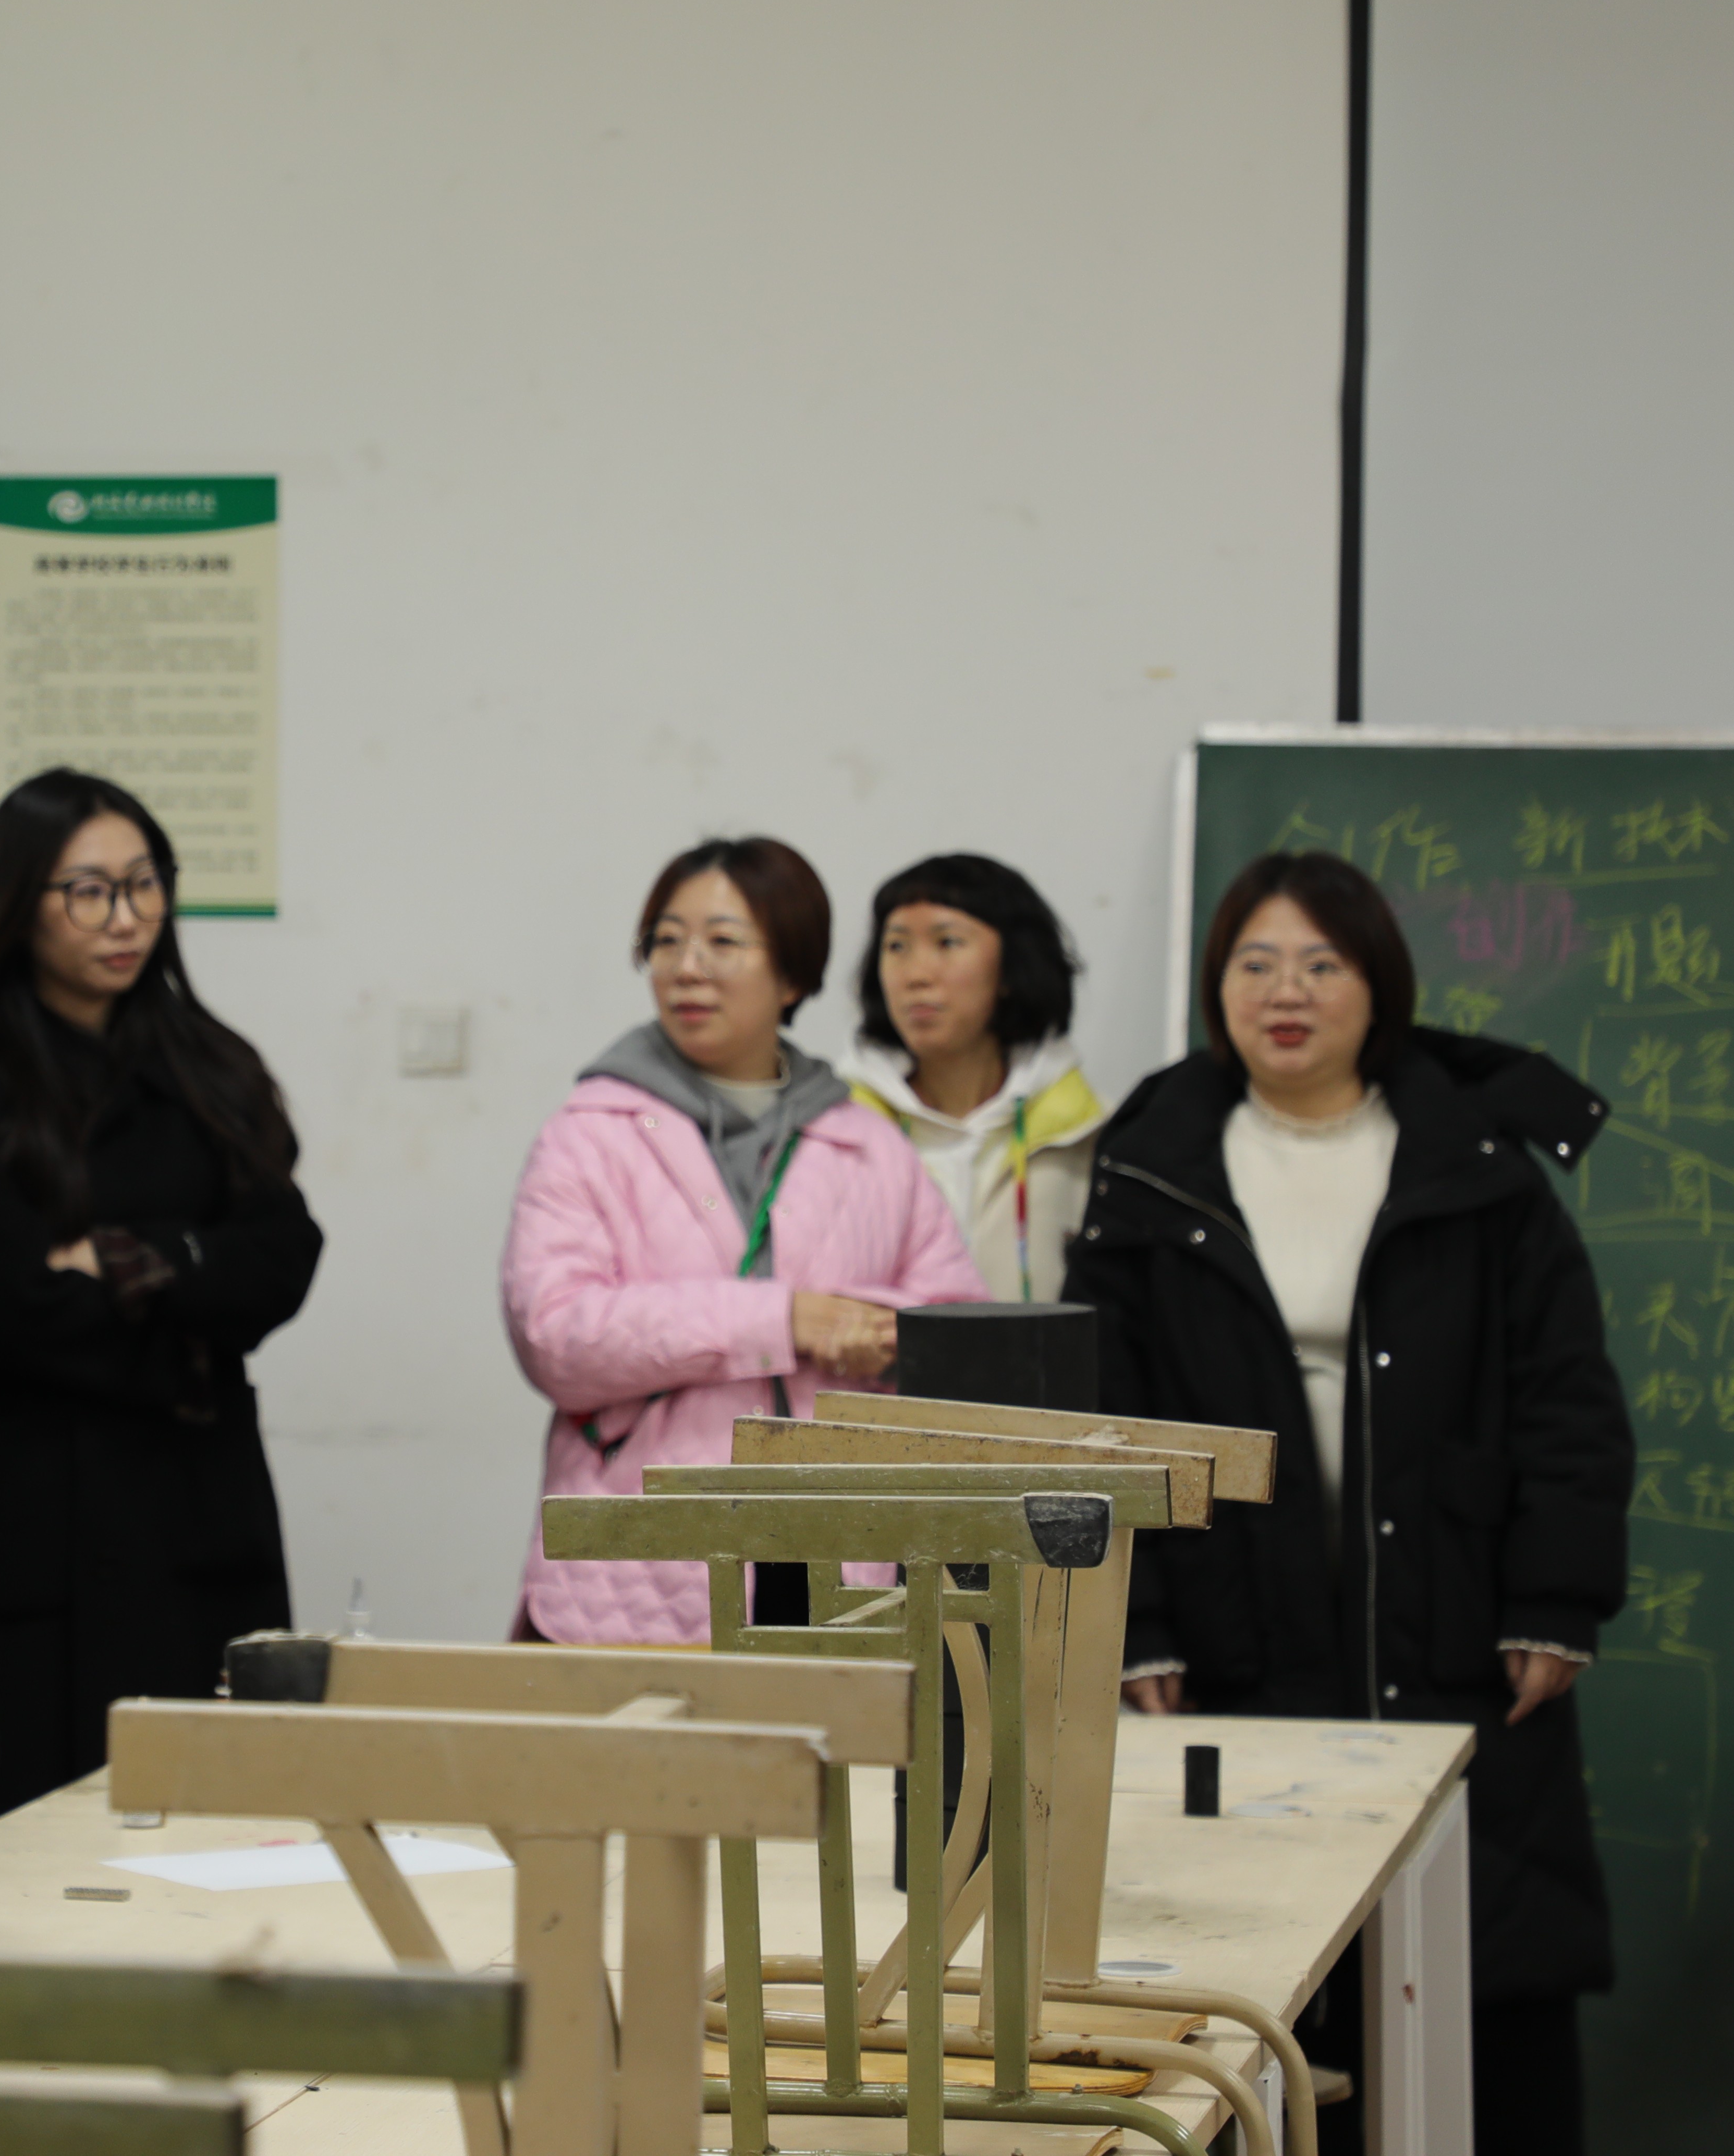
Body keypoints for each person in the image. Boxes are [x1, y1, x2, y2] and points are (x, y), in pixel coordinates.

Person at [1060, 849, 1632, 2156]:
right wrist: (1135, 1623)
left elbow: (1567, 1395)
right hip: (1233, 1632)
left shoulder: (1476, 1161)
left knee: (1484, 1974)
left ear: (1380, 987)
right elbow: (1103, 1414)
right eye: (1256, 963)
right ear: (1218, 989)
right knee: (1255, 1987)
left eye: (1323, 963)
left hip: (1455, 1619)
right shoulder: (1153, 1167)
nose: (1288, 991)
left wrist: (1557, 1598)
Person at [0, 771, 321, 1828]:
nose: (126, 917)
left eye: (143, 885)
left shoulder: (209, 1061)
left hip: (204, 1506)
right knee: (53, 1832)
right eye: (88, 892)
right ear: (19, 902)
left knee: (222, 1825)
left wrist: (130, 1261)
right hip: (52, 1515)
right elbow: (11, 1305)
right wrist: (195, 1312)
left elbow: (285, 1255)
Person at [502, 836, 981, 1645]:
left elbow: (962, 1332)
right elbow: (556, 1335)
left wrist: (882, 1333)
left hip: (842, 1560)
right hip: (640, 1568)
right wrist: (781, 1321)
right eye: (666, 941)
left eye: (723, 942)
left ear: (793, 974)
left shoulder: (868, 1144)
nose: (687, 968)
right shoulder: (588, 1135)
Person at [840, 852, 1107, 1305]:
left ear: (1011, 968)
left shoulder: (1087, 1137)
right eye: (897, 947)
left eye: (947, 942)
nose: (916, 975)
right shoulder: (840, 1136)